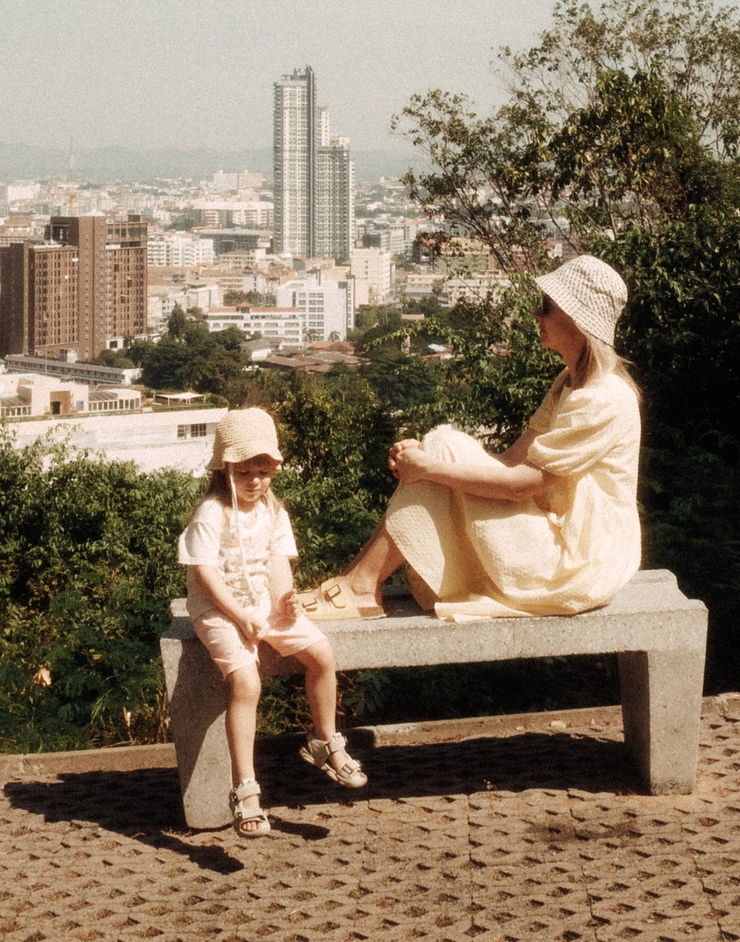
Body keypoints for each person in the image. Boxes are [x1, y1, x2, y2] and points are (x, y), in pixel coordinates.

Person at [299, 253, 642, 621]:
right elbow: (510, 462)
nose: (536, 316)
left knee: (441, 453)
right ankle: (359, 582)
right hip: (558, 543)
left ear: (577, 318)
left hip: (576, 567)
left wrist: (430, 468)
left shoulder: (604, 398)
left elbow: (520, 485)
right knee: (443, 442)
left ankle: (361, 585)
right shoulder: (568, 383)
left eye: (547, 306)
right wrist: (428, 458)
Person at [177, 406, 367, 838]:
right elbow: (205, 575)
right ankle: (245, 789)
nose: (255, 482)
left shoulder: (272, 512)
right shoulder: (212, 513)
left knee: (321, 654)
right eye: (245, 472)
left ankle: (324, 742)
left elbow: (279, 564)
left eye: (263, 472)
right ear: (226, 469)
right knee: (247, 683)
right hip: (217, 608)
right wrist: (240, 616)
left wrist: (286, 602)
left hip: (262, 604)